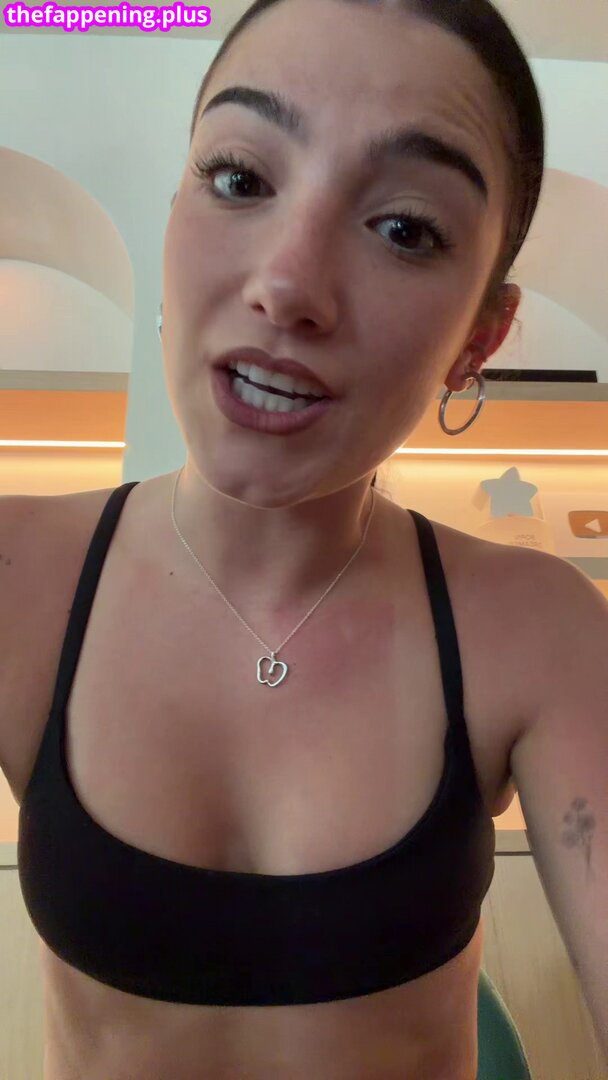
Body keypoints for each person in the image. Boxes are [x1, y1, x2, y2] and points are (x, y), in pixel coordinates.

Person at [4, 0, 607, 1077]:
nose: (286, 286)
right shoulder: (17, 580)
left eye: (404, 229)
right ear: (174, 215)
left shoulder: (538, 629)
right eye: (240, 178)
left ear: (478, 339)